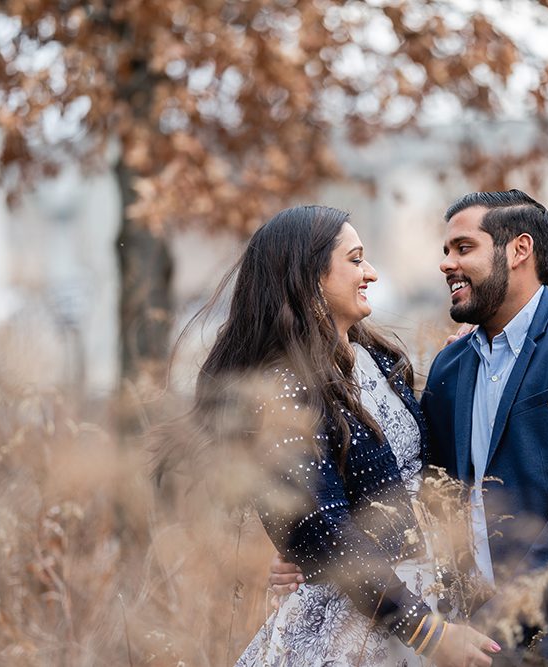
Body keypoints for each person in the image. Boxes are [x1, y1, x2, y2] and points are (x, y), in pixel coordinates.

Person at [271, 191, 548, 665]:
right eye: (445, 251)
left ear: (519, 250)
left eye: (463, 248)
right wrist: (309, 542)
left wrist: (492, 623)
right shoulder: (451, 366)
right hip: (486, 633)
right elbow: (419, 486)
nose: (446, 263)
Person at [171, 205, 501, 666]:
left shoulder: (377, 360)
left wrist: (467, 360)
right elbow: (326, 531)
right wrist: (427, 631)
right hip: (362, 621)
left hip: (426, 597)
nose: (370, 273)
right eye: (355, 259)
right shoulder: (284, 387)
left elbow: (422, 468)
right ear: (309, 278)